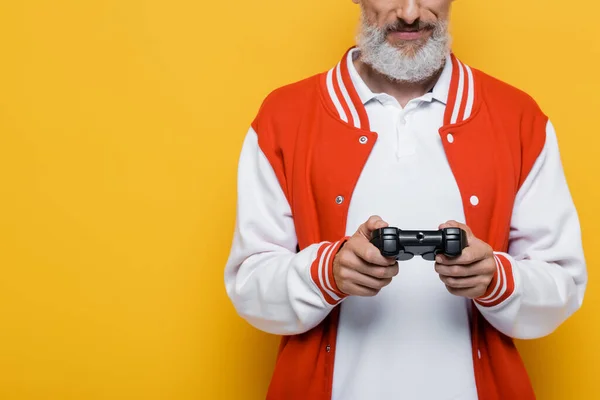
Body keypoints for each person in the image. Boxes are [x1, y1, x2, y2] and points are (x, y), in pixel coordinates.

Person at [223, 0, 588, 399]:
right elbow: (249, 285)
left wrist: (495, 278)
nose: (411, 13)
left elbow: (562, 286)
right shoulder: (284, 116)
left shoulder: (518, 117)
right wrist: (327, 272)